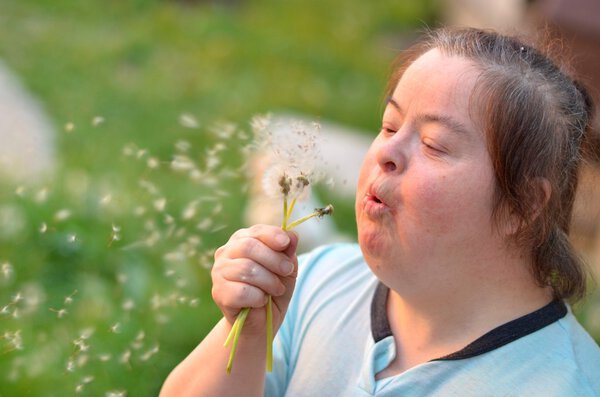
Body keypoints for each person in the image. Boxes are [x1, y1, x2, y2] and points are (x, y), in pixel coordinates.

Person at [160, 27, 600, 396]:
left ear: (521, 204)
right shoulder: (317, 283)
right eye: (389, 125)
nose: (387, 150)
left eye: (433, 145)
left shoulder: (561, 385)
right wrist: (251, 332)